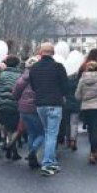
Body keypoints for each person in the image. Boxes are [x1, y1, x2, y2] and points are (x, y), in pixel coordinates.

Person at [29, 43, 69, 176]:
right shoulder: (58, 67)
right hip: (54, 104)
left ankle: (50, 160)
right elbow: (65, 86)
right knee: (52, 134)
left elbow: (33, 87)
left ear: (41, 53)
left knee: (47, 133)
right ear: (53, 53)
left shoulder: (34, 68)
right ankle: (48, 163)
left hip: (40, 104)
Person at [13, 56, 42, 169]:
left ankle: (32, 159)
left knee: (31, 133)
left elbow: (15, 93)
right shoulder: (40, 77)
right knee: (42, 133)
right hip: (36, 108)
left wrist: (20, 102)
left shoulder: (22, 78)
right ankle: (33, 152)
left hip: (23, 109)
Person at [0, 55, 22, 160]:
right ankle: (10, 145)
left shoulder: (1, 75)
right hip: (15, 105)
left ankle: (11, 148)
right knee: (17, 128)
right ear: (17, 64)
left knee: (7, 127)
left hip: (1, 105)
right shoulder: (20, 75)